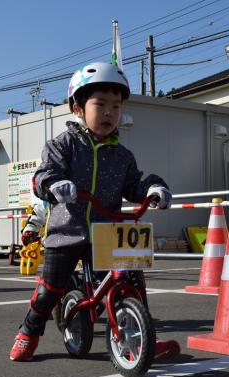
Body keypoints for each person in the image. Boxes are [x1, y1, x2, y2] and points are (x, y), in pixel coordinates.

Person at [9, 62, 172, 361]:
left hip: (107, 232)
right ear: (78, 108)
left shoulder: (122, 155)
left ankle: (142, 337)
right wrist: (55, 184)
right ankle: (29, 329)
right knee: (50, 291)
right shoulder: (63, 145)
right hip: (66, 233)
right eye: (100, 104)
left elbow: (134, 185)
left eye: (116, 106)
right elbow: (43, 175)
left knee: (130, 282)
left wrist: (153, 190)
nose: (109, 112)